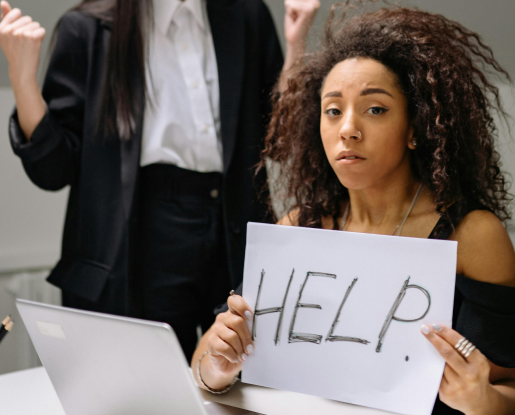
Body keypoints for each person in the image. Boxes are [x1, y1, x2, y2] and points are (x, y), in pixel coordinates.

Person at [190, 3, 515, 414]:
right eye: (333, 111)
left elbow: (511, 397)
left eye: (375, 109)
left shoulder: (471, 235)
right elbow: (206, 364)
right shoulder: (300, 228)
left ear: (415, 128)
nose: (348, 129)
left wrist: (478, 398)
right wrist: (216, 368)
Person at [0, 0, 319, 362]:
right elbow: (53, 170)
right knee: (154, 386)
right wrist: (22, 78)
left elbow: (279, 142)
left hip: (235, 222)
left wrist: (296, 44)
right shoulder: (87, 27)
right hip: (141, 237)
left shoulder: (245, 14)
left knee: (246, 375)